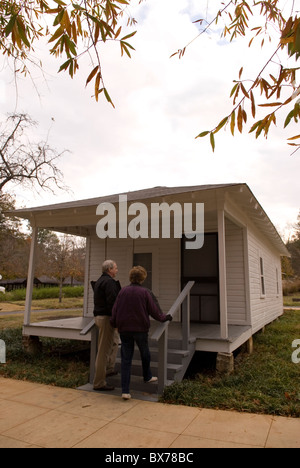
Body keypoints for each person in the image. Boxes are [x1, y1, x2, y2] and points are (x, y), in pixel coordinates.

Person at [110, 266, 172, 400]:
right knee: (145, 352)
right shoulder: (145, 293)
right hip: (140, 329)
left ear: (131, 277)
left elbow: (115, 309)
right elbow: (154, 311)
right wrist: (164, 317)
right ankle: (147, 376)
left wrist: (114, 323)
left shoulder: (123, 292)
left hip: (124, 329)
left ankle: (125, 391)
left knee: (126, 359)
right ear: (143, 278)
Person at [93, 259, 121, 391]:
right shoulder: (109, 282)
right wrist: (116, 322)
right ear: (109, 269)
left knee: (115, 342)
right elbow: (112, 303)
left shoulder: (99, 280)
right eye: (115, 268)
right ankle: (99, 383)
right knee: (103, 351)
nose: (116, 270)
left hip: (99, 317)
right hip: (106, 318)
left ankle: (109, 369)